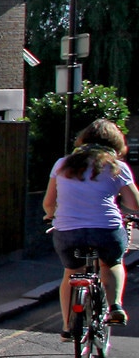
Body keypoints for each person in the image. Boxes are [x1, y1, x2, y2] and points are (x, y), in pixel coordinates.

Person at [43, 118, 139, 336]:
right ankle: (115, 306)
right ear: (116, 143)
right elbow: (134, 204)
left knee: (71, 272)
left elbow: (49, 203)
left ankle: (68, 326)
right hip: (106, 229)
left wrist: (51, 215)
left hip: (68, 231)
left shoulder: (62, 164)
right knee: (112, 263)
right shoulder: (118, 167)